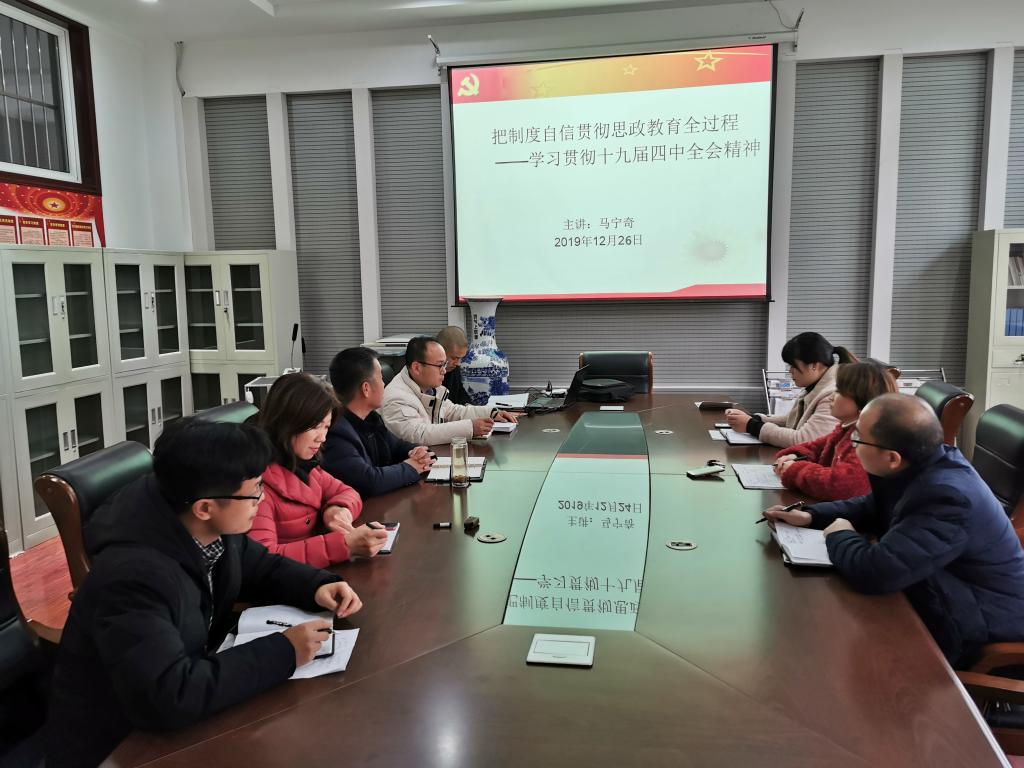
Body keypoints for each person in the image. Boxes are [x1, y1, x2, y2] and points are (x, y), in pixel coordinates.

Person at [45, 419, 363, 767]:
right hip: (118, 746)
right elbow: (170, 695)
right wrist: (284, 652)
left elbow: (258, 565)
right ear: (205, 508)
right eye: (255, 490)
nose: (261, 499)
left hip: (184, 709)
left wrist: (316, 585)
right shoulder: (132, 578)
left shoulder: (204, 523)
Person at [763, 394, 1024, 667]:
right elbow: (872, 506)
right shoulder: (921, 463)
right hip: (936, 593)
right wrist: (811, 516)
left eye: (858, 439)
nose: (852, 444)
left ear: (892, 458)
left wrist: (840, 534)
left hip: (976, 626)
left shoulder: (947, 497)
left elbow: (875, 573)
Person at [250, 372, 387, 568]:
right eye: (315, 427)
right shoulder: (254, 482)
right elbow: (263, 560)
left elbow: (347, 492)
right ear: (287, 421)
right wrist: (344, 545)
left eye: (326, 427)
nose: (322, 438)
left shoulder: (305, 464)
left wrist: (337, 509)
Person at [772, 362, 897, 501]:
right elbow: (816, 447)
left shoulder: (867, 439)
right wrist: (796, 455)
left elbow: (842, 486)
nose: (831, 396)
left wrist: (795, 470)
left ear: (862, 398)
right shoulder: (846, 428)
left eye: (838, 391)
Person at [323, 346, 434, 497]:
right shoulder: (336, 432)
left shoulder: (371, 418)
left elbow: (397, 446)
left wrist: (417, 452)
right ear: (366, 389)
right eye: (381, 378)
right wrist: (411, 468)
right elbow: (369, 481)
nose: (384, 384)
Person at [725, 331, 856, 448]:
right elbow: (792, 420)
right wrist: (755, 419)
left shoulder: (834, 394)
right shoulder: (814, 387)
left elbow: (804, 440)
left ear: (814, 365)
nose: (790, 371)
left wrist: (752, 426)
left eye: (793, 366)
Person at [381, 336, 518, 445]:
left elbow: (452, 411)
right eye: (439, 365)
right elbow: (419, 435)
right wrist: (470, 428)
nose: (444, 370)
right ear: (417, 368)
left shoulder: (427, 387)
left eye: (445, 364)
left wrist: (491, 413)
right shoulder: (396, 398)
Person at [437, 325, 472, 405]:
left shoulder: (454, 370)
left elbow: (462, 398)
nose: (458, 363)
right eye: (454, 358)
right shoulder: (427, 373)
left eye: (461, 358)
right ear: (440, 351)